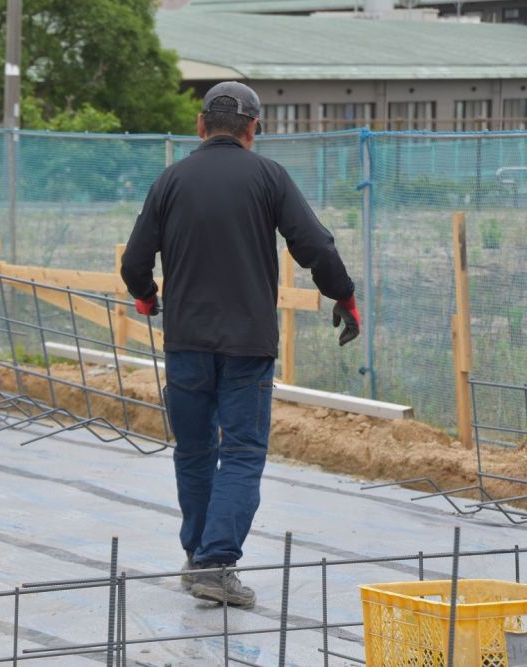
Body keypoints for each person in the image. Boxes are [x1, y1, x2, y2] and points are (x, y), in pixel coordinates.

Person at [120, 82, 360, 607]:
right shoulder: (269, 177)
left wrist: (146, 296)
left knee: (195, 449)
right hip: (248, 345)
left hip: (186, 342)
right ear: (254, 129)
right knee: (244, 452)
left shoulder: (170, 181)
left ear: (200, 125)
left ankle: (197, 557)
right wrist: (343, 295)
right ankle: (215, 562)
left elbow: (135, 264)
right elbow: (314, 245)